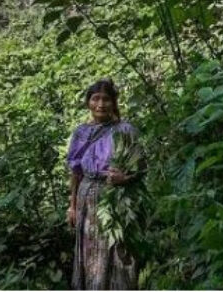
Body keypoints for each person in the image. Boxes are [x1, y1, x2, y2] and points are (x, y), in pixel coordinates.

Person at [65, 79, 142, 290]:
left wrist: (123, 179)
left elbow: (141, 168)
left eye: (106, 99)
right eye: (95, 98)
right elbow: (76, 171)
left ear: (114, 102)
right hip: (86, 198)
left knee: (117, 250)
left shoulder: (126, 130)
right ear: (88, 102)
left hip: (116, 198)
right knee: (90, 250)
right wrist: (72, 205)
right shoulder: (81, 132)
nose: (100, 104)